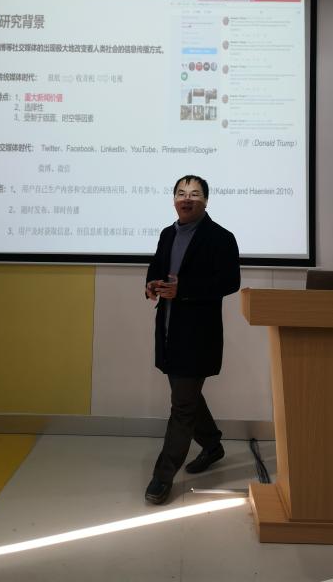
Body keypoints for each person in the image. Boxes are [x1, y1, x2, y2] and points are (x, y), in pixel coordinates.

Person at [144, 175, 240, 505]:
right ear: (174, 199)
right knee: (187, 397)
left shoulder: (221, 237)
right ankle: (212, 445)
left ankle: (163, 476)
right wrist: (151, 284)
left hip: (198, 335)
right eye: (181, 193)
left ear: (206, 201)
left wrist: (182, 290)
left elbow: (230, 281)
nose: (187, 199)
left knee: (182, 405)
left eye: (195, 194)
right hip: (168, 330)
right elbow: (157, 267)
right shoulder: (167, 233)